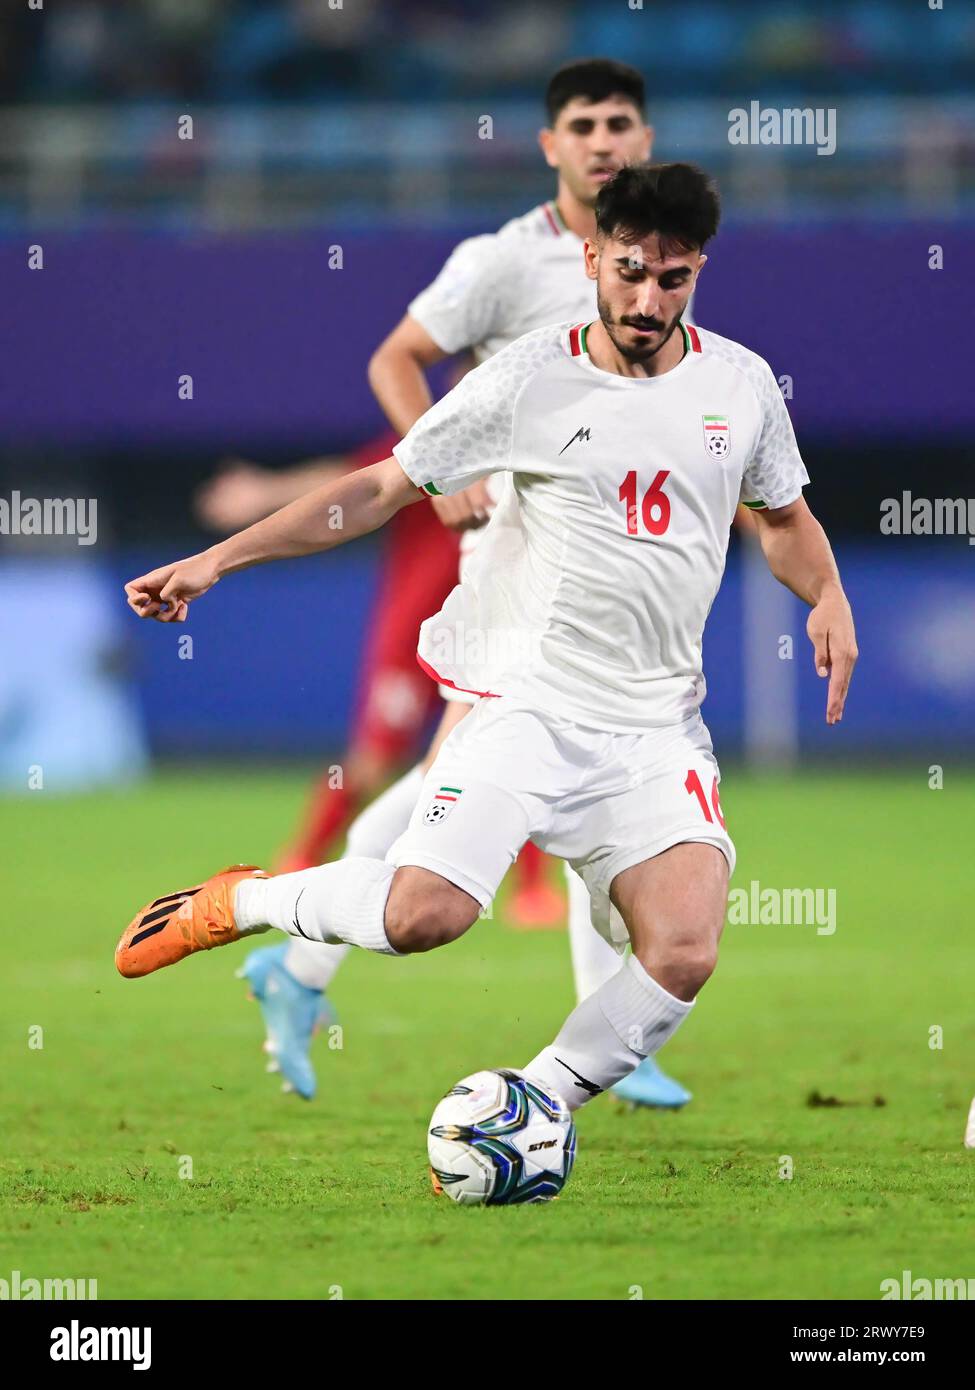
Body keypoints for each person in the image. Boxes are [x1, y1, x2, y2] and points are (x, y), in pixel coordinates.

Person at [116, 164, 858, 1136]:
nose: (647, 299)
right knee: (425, 916)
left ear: (698, 272)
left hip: (657, 731)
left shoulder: (742, 385)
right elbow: (380, 489)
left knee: (682, 949)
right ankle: (247, 903)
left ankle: (532, 1109)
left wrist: (830, 592)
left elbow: (785, 517)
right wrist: (223, 557)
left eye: (672, 279)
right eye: (629, 271)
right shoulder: (528, 378)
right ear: (592, 255)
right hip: (527, 710)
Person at [240, 57, 694, 1107]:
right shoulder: (500, 262)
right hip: (514, 574)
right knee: (590, 771)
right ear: (549, 146)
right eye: (581, 124)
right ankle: (288, 939)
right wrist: (434, 465)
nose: (602, 141)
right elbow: (396, 358)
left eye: (619, 121)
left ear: (645, 134)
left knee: (489, 790)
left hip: (615, 567)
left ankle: (295, 963)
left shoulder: (651, 264)